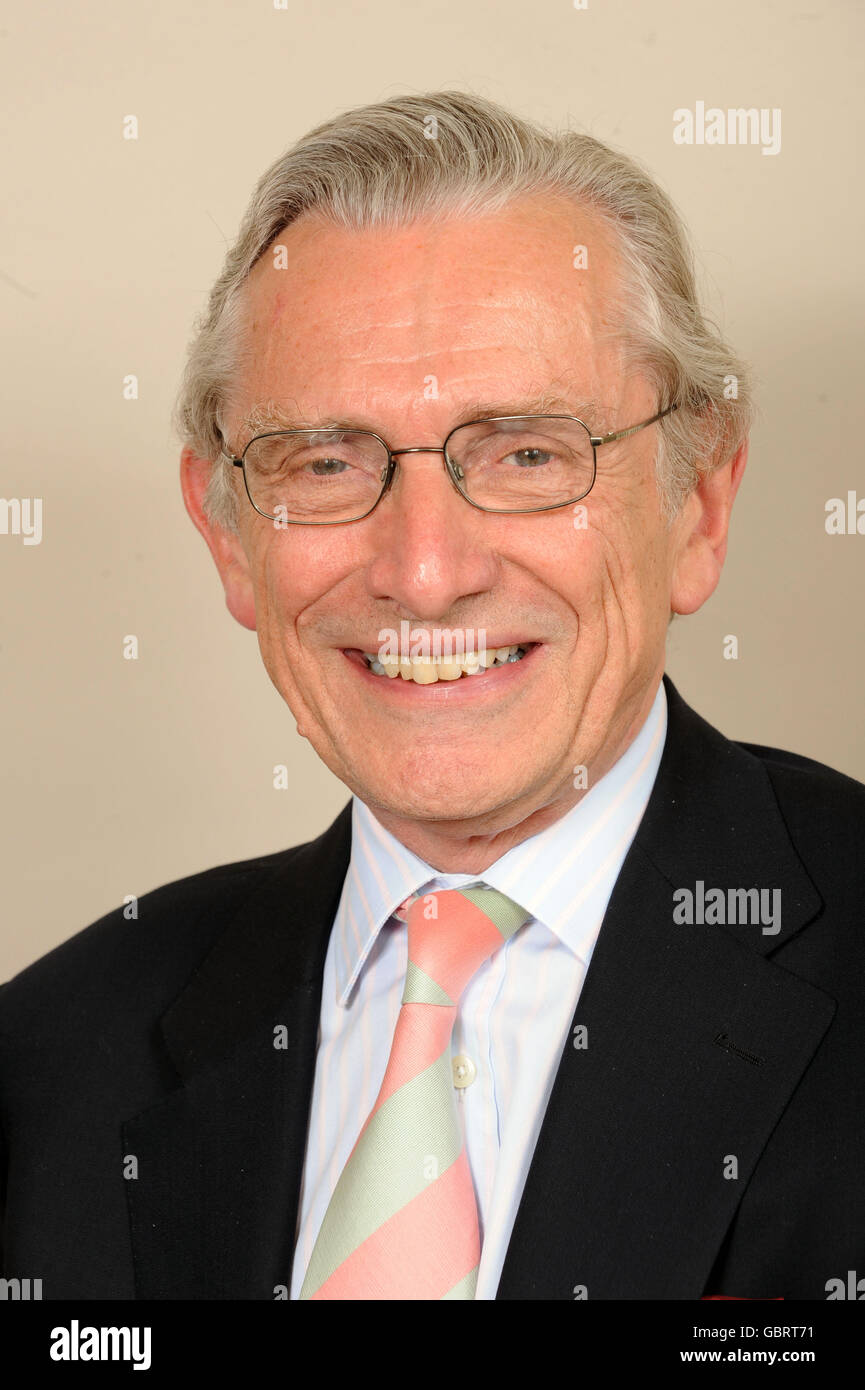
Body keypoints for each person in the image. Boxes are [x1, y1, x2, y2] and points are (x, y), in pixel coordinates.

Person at [1, 91, 862, 1302]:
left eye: (525, 453)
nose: (423, 570)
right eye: (325, 461)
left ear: (699, 501)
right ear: (227, 533)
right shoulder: (47, 1060)